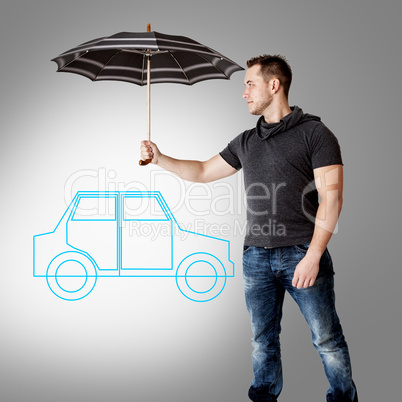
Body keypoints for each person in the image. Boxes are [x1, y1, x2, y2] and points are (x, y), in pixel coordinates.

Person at [140, 54, 358, 402]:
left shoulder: (316, 134)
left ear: (274, 85)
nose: (244, 92)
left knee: (326, 338)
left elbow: (332, 201)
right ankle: (264, 396)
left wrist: (314, 255)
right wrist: (159, 158)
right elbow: (200, 172)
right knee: (262, 340)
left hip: (302, 251)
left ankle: (344, 398)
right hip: (256, 256)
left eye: (250, 84)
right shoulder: (246, 141)